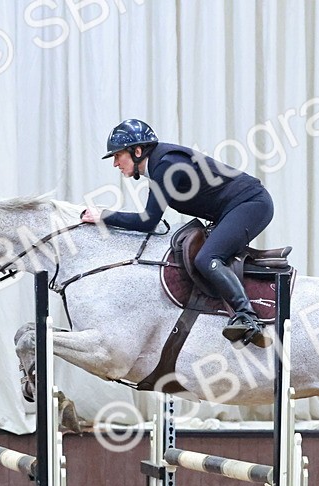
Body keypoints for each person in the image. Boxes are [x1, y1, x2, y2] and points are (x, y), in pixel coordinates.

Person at [81, 119, 272, 347]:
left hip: (252, 204)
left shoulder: (167, 166)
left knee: (207, 258)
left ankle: (247, 317)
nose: (115, 164)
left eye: (117, 155)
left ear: (138, 150)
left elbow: (148, 221)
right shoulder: (161, 166)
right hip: (235, 208)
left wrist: (103, 216)